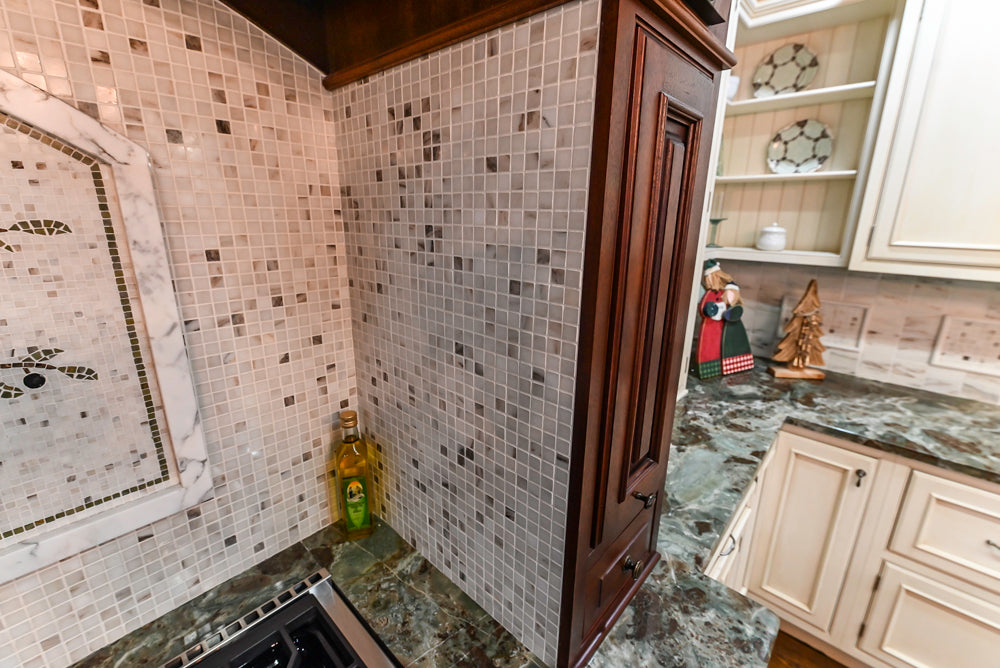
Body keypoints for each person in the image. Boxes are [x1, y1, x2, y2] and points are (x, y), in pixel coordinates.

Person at [694, 259, 753, 379]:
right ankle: (709, 368)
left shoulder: (724, 292)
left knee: (728, 345)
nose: (709, 280)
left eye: (710, 277)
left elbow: (733, 307)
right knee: (710, 346)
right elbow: (705, 309)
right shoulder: (710, 294)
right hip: (712, 326)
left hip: (727, 325)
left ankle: (734, 364)